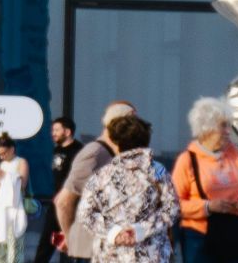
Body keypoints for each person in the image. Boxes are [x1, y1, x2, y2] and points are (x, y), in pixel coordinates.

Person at [79, 114, 179, 263]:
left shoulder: (102, 175)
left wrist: (116, 233)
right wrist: (140, 230)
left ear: (115, 142)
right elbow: (171, 208)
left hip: (110, 254)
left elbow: (86, 214)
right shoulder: (157, 172)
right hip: (151, 254)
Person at [172, 97, 238, 263]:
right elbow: (174, 203)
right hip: (200, 240)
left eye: (229, 125)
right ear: (206, 128)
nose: (228, 131)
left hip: (237, 235)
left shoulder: (235, 156)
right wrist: (208, 207)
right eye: (223, 125)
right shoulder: (187, 160)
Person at [59, 103, 139, 263]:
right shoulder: (95, 154)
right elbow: (63, 201)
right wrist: (69, 238)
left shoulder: (115, 154)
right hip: (90, 250)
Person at [37, 117, 82, 263]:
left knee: (75, 243)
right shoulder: (56, 150)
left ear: (67, 132)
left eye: (56, 130)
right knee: (46, 242)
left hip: (73, 204)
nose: (53, 133)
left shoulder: (79, 151)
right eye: (52, 130)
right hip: (57, 202)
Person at [0, 132, 32, 263]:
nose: (1, 156)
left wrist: (5, 176)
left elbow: (22, 185)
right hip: (1, 208)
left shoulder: (21, 162)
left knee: (14, 244)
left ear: (12, 149)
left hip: (15, 208)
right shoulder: (2, 165)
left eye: (4, 153)